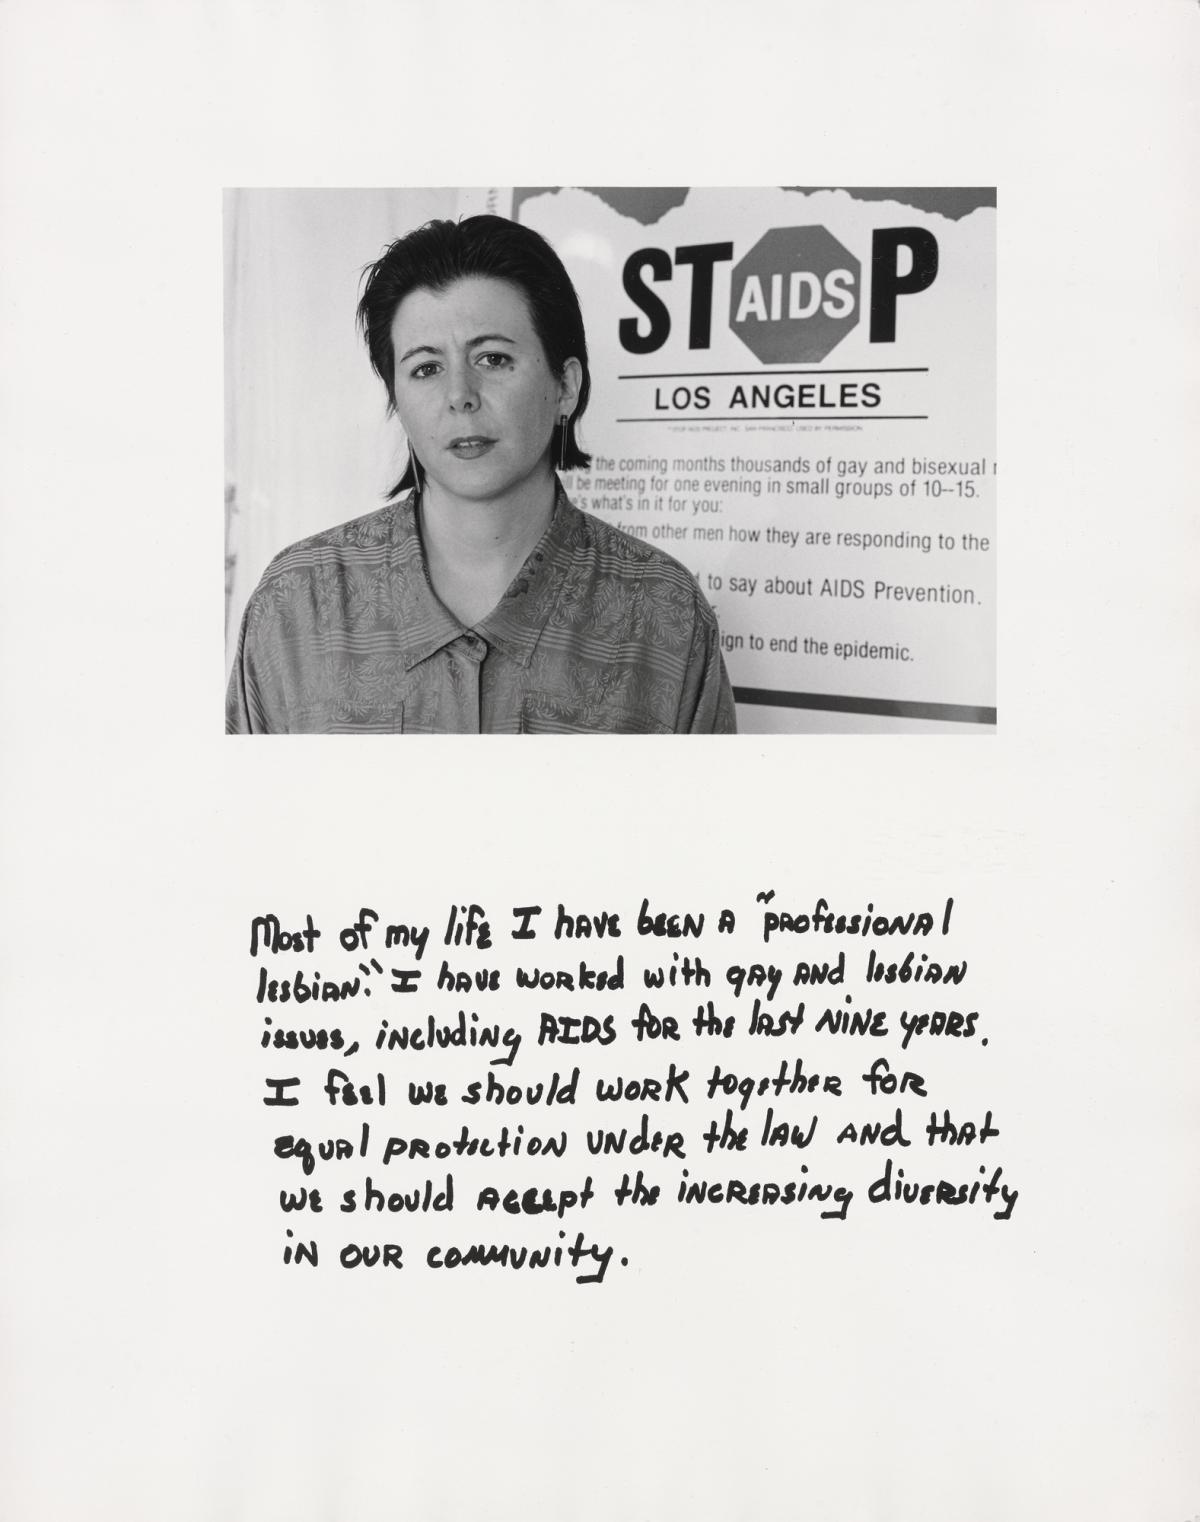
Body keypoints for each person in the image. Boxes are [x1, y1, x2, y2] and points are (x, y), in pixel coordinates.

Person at [225, 215, 737, 734]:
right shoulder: (295, 606)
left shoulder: (663, 614)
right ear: (397, 401)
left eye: (493, 358)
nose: (460, 395)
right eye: (426, 368)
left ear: (565, 386)